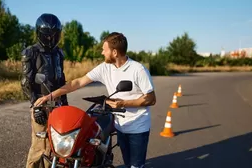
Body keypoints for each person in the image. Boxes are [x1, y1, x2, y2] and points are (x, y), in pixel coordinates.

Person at [33, 32, 156, 168]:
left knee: (136, 166)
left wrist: (123, 103)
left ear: (114, 52)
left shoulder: (138, 70)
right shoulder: (105, 68)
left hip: (138, 127)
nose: (102, 52)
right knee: (127, 163)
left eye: (105, 49)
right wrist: (50, 96)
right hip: (121, 125)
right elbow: (78, 82)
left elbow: (151, 99)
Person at [20, 13, 68, 168]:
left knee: (55, 146)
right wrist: (36, 106)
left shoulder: (59, 53)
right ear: (40, 34)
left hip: (58, 104)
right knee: (39, 146)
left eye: (54, 35)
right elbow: (25, 82)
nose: (51, 39)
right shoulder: (30, 52)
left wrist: (65, 104)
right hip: (40, 103)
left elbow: (61, 80)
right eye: (47, 35)